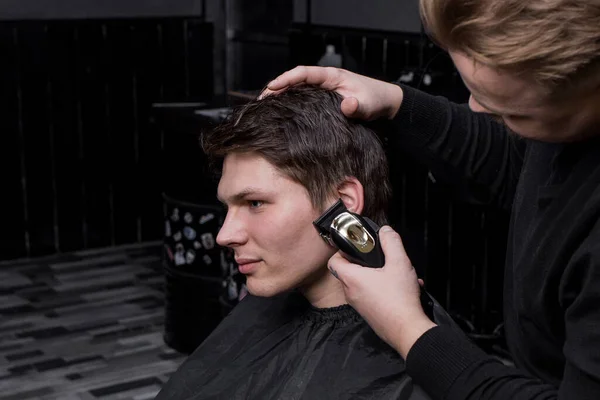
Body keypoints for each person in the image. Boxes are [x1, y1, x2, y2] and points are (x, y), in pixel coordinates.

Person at [261, 1, 600, 399]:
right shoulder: (570, 124)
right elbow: (519, 161)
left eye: (514, 114)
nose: (476, 108)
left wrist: (408, 329)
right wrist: (396, 102)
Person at [154, 86, 432, 399]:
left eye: (255, 203)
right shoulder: (267, 312)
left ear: (343, 202)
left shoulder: (414, 370)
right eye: (227, 208)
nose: (224, 235)